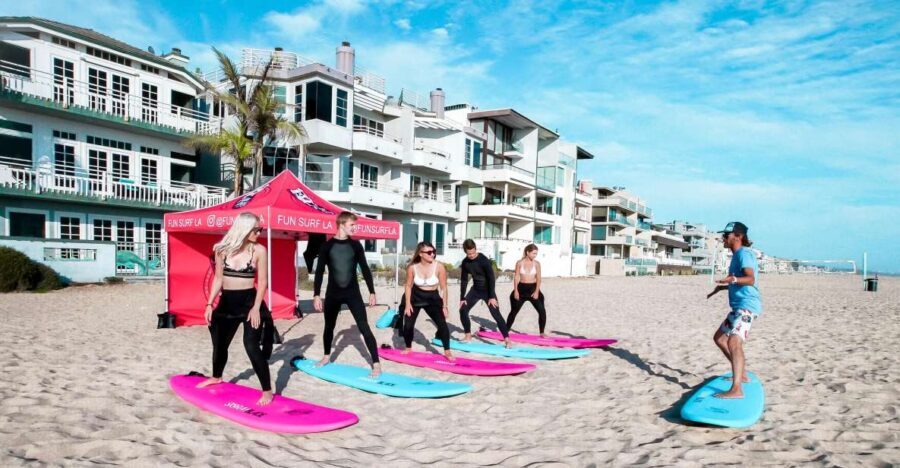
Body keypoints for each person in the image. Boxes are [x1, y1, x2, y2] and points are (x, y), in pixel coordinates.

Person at [198, 212, 274, 405]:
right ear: (244, 229)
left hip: (250, 304)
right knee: (220, 344)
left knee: (251, 346)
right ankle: (217, 376)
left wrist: (257, 307)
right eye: (256, 229)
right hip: (227, 304)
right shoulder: (222, 250)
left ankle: (267, 391)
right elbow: (218, 279)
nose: (259, 232)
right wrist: (209, 304)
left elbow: (263, 282)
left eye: (260, 229)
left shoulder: (259, 251)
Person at [313, 211, 382, 378]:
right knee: (329, 327)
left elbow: (365, 269)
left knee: (364, 327)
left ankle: (376, 364)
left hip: (353, 294)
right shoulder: (327, 246)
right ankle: (326, 355)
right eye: (352, 225)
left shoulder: (356, 246)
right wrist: (316, 294)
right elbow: (320, 271)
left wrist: (372, 291)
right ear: (342, 224)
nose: (355, 228)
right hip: (333, 294)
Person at [706, 221, 763, 399]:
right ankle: (742, 374)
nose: (723, 237)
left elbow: (750, 279)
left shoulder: (744, 254)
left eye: (727, 234)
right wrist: (723, 287)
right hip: (738, 306)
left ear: (738, 236)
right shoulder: (737, 256)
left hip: (747, 306)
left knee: (733, 342)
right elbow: (738, 280)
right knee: (720, 338)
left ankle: (736, 389)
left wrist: (732, 280)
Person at [401, 241, 454, 360]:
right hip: (415, 297)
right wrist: (407, 304)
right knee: (408, 325)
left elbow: (444, 287)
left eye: (434, 251)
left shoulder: (439, 266)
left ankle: (447, 351)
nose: (432, 254)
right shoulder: (412, 267)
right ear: (420, 253)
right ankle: (408, 347)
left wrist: (445, 306)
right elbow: (408, 286)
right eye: (429, 252)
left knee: (442, 324)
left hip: (433, 298)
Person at [458, 239, 511, 348]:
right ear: (465, 252)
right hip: (475, 290)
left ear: (475, 249)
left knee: (496, 314)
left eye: (473, 252)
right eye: (469, 254)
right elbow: (464, 280)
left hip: (488, 291)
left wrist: (491, 296)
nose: (471, 255)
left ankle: (507, 340)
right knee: (463, 309)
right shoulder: (465, 262)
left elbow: (491, 278)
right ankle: (468, 336)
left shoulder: (483, 260)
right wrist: (462, 297)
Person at [506, 244, 547, 337]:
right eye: (533, 253)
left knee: (542, 311)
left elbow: (539, 278)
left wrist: (537, 291)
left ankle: (542, 332)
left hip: (533, 290)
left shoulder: (537, 264)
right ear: (527, 252)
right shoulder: (519, 263)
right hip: (521, 290)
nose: (535, 255)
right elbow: (516, 277)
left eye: (536, 254)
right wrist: (516, 291)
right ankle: (506, 330)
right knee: (513, 312)